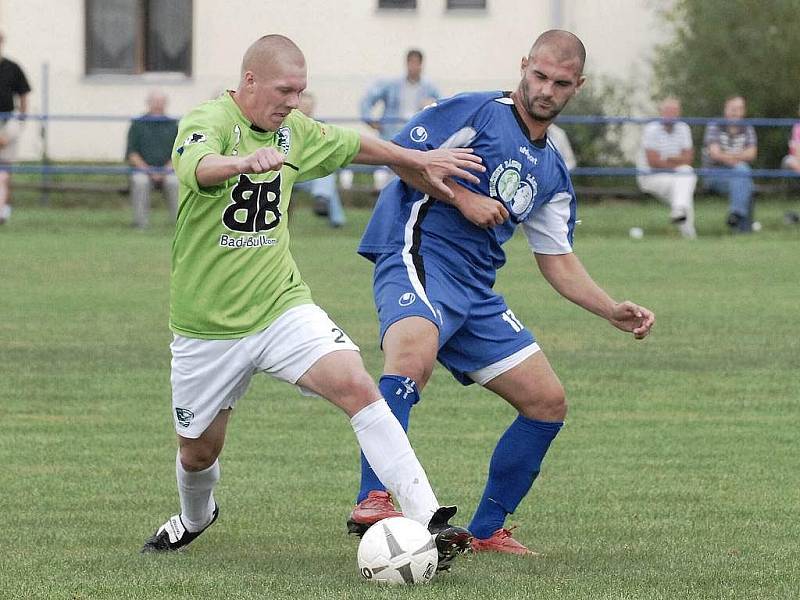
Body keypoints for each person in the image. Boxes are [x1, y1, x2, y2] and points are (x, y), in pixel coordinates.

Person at [140, 35, 487, 571]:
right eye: (284, 91)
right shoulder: (208, 119)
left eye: (301, 92)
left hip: (281, 306)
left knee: (356, 383)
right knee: (197, 452)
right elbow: (196, 167)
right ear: (250, 81)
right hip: (206, 326)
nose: (293, 103)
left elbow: (354, 146)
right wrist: (240, 163)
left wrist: (416, 159)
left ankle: (428, 519)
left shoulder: (294, 130)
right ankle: (195, 516)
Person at [347, 30, 655, 555]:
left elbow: (556, 258)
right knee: (412, 354)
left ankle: (486, 529)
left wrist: (610, 309)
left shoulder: (554, 170)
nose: (546, 90)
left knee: (546, 402)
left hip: (475, 289)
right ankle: (375, 495)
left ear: (576, 87)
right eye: (538, 76)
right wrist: (463, 198)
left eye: (560, 83)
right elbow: (398, 155)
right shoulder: (477, 113)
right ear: (523, 67)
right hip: (417, 254)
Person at [360, 49, 441, 191]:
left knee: (413, 171)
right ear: (406, 63)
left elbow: (441, 108)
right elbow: (367, 100)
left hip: (416, 135)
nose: (414, 66)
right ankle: (384, 198)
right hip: (392, 133)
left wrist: (431, 104)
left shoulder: (429, 88)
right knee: (388, 167)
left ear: (422, 65)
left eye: (417, 63)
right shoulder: (391, 85)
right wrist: (370, 120)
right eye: (411, 62)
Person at [636, 97, 697, 239]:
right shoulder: (651, 129)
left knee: (687, 173)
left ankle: (679, 213)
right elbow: (653, 162)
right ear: (661, 112)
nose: (670, 115)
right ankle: (689, 235)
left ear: (679, 113)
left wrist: (667, 159)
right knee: (684, 185)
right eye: (667, 111)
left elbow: (688, 159)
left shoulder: (683, 128)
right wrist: (676, 160)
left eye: (674, 112)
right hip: (651, 177)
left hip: (675, 175)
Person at [702, 95, 757, 233]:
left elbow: (752, 154)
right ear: (725, 110)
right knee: (744, 178)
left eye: (739, 109)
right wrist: (736, 158)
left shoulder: (748, 128)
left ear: (743, 111)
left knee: (742, 175)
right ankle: (743, 228)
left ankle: (736, 217)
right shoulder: (714, 125)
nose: (735, 112)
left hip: (738, 174)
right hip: (715, 175)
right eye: (732, 109)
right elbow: (715, 153)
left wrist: (727, 156)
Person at [126, 90, 179, 229]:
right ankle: (141, 224)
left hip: (168, 171)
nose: (158, 105)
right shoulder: (137, 124)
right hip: (143, 170)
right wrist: (150, 171)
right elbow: (132, 154)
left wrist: (165, 170)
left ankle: (180, 224)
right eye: (155, 102)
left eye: (161, 102)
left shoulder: (173, 125)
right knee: (140, 181)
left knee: (175, 182)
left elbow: (179, 152)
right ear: (148, 103)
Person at [293, 92, 346, 227]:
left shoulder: (320, 126)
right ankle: (324, 202)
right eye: (304, 105)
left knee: (326, 174)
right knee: (326, 181)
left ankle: (322, 202)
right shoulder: (286, 124)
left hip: (308, 173)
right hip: (287, 172)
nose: (307, 109)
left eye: (310, 106)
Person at [0, 31, 31, 225]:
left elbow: (24, 95)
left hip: (8, 121)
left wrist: (20, 122)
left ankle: (4, 209)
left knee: (5, 171)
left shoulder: (12, 68)